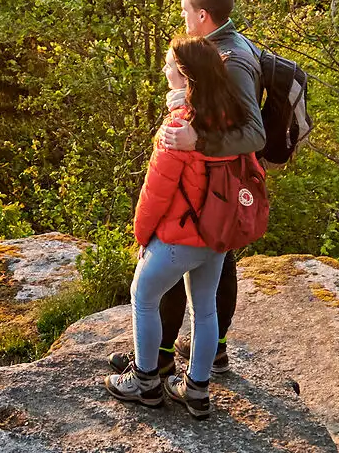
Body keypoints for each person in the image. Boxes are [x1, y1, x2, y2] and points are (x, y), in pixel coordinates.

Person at [112, 0, 265, 379]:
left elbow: (255, 133)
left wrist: (198, 139)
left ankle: (162, 361)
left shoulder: (232, 61)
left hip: (216, 192)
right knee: (207, 280)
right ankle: (191, 362)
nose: (180, 16)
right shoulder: (213, 52)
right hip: (212, 187)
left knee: (189, 272)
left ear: (202, 15)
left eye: (183, 10)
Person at [103, 33, 249, 419]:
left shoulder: (178, 128)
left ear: (186, 78)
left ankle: (145, 382)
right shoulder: (229, 120)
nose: (164, 69)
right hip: (216, 236)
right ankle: (196, 390)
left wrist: (141, 236)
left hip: (179, 236)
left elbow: (156, 191)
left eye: (169, 65)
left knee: (143, 295)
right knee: (204, 309)